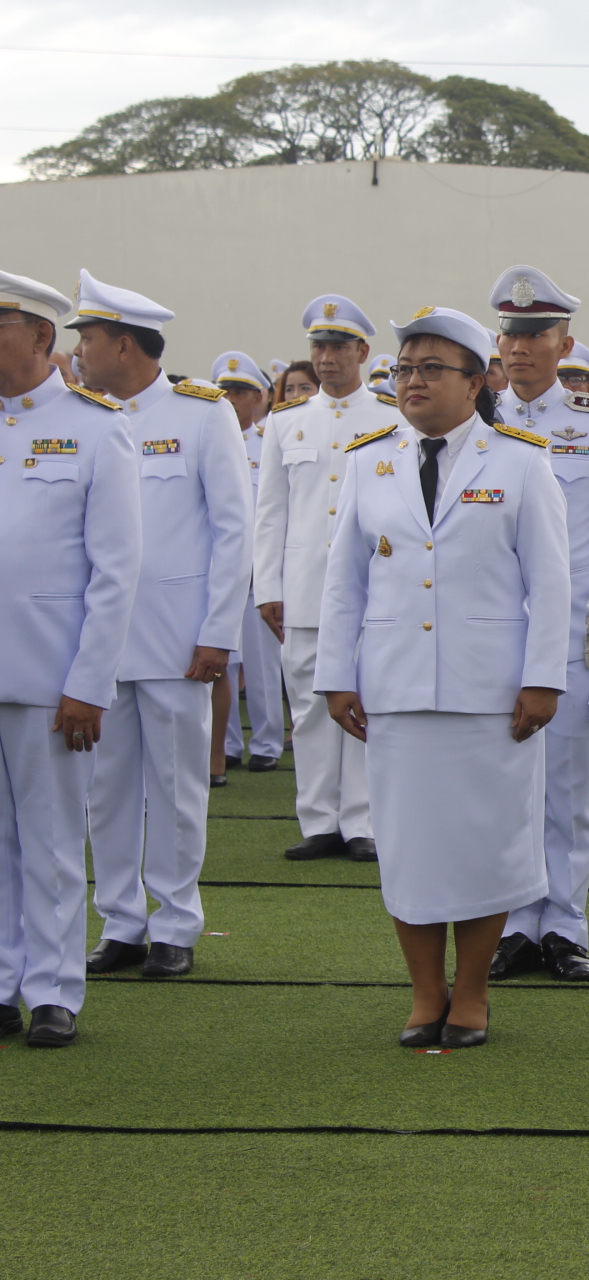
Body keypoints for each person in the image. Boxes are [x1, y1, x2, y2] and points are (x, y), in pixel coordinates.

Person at [317, 304, 569, 1048]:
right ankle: (425, 993)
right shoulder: (369, 458)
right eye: (403, 368)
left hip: (490, 692)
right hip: (395, 686)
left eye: (431, 368)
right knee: (409, 845)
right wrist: (337, 674)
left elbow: (550, 582)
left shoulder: (521, 458)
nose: (412, 380)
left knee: (484, 844)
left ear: (476, 381)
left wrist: (543, 679)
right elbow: (344, 582)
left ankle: (473, 990)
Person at [70, 272, 252, 982]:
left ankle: (175, 923)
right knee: (104, 790)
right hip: (99, 641)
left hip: (179, 638)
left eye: (87, 337)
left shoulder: (202, 412)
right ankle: (120, 922)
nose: (79, 350)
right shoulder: (84, 416)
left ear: (123, 343)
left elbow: (233, 531)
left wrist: (217, 633)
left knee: (176, 786)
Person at [483, 266, 589, 985]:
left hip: (576, 627)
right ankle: (514, 923)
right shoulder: (475, 421)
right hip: (490, 626)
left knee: (569, 785)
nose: (521, 348)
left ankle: (565, 927)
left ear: (564, 342)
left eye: (536, 334)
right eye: (511, 334)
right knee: (503, 782)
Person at [0, 270, 141, 1047]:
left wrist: (89, 683)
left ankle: (53, 990)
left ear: (41, 337)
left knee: (51, 838)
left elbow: (115, 569)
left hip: (51, 676)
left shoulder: (94, 425)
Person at [254, 296, 390, 863]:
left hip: (370, 589)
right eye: (318, 346)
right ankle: (319, 820)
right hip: (305, 588)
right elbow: (270, 511)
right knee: (309, 706)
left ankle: (363, 820)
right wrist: (268, 588)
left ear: (363, 351)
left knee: (366, 701)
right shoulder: (286, 422)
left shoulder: (392, 417)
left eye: (337, 346)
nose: (326, 357)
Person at [212, 352, 286, 777]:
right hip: (222, 569)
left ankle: (267, 742)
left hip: (258, 571)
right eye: (225, 391)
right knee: (224, 661)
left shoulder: (265, 442)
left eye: (240, 392)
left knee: (261, 665)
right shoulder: (213, 439)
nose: (232, 399)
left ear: (259, 397)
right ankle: (226, 744)